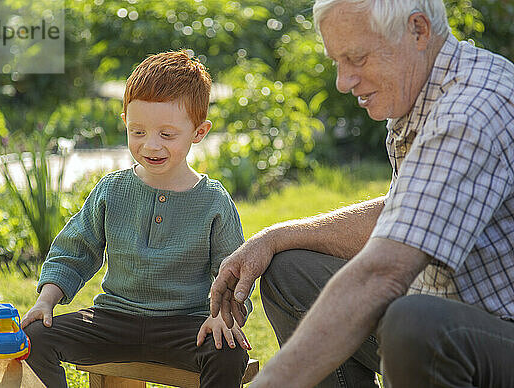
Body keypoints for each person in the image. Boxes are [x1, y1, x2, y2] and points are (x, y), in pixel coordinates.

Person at [210, 1, 514, 387]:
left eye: (356, 57)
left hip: (496, 332)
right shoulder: (424, 91)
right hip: (458, 317)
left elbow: (383, 272)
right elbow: (409, 212)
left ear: (418, 30)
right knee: (290, 269)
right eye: (338, 60)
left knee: (417, 323)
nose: (342, 80)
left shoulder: (470, 112)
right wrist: (275, 237)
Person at [22, 50, 252, 388]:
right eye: (138, 131)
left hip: (185, 326)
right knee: (35, 337)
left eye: (167, 134)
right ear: (125, 122)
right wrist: (46, 301)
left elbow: (231, 271)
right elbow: (75, 252)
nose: (151, 146)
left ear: (199, 132)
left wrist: (223, 317)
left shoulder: (214, 201)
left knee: (228, 352)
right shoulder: (111, 190)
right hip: (113, 320)